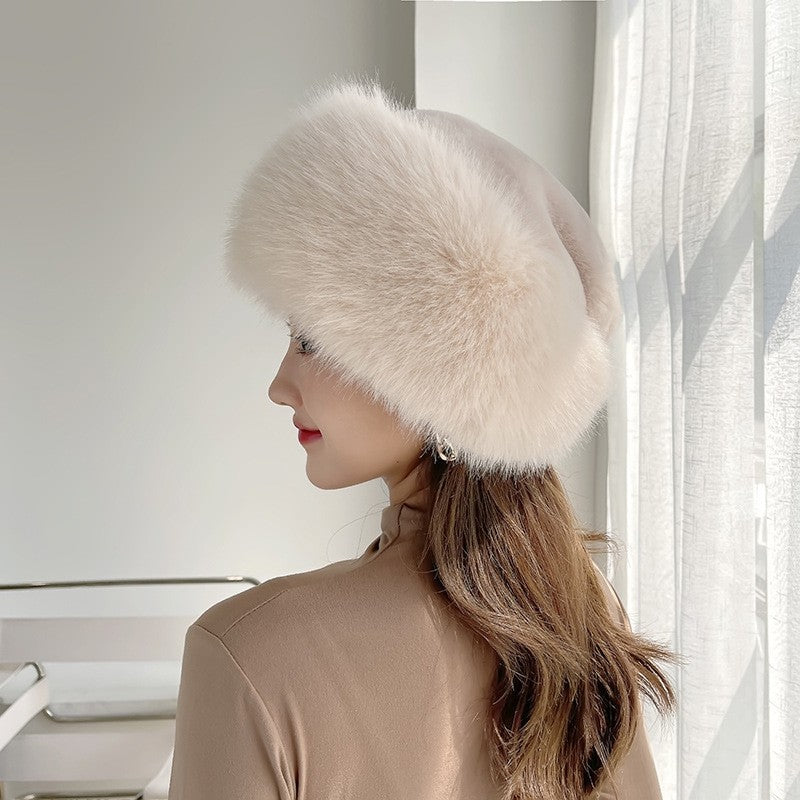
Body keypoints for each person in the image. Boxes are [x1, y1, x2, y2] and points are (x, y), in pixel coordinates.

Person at [167, 76, 681, 800]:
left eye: (312, 340)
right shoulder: (576, 617)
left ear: (433, 371)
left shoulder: (246, 652)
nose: (280, 385)